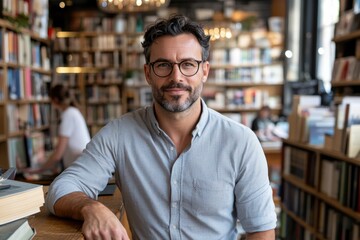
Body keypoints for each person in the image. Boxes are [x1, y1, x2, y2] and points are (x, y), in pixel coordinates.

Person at [46, 15, 276, 239]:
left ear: (205, 71)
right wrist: (90, 207)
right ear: (148, 73)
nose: (176, 77)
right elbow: (61, 188)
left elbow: (261, 230)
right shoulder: (119, 134)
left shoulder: (241, 142)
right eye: (163, 65)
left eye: (188, 64)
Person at [26, 84, 91, 174]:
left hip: (80, 169)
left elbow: (58, 155)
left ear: (55, 100)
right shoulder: (73, 111)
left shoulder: (68, 115)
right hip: (81, 166)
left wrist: (38, 170)